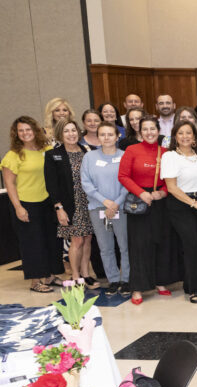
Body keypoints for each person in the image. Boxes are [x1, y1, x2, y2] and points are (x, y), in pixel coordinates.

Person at [0, 116, 65, 292]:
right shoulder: (13, 155)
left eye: (28, 129)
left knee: (52, 241)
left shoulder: (47, 149)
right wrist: (18, 207)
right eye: (21, 130)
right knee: (33, 243)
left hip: (48, 203)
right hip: (26, 204)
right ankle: (35, 281)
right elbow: (10, 184)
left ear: (35, 130)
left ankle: (50, 276)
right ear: (16, 134)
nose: (25, 133)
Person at [118, 116, 179, 304]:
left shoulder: (166, 152)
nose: (149, 132)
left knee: (161, 241)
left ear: (158, 130)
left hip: (160, 201)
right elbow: (123, 176)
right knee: (139, 245)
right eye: (145, 129)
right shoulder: (131, 150)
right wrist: (140, 193)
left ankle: (160, 282)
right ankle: (137, 287)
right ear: (140, 131)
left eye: (153, 129)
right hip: (139, 201)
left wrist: (163, 192)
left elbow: (173, 178)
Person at [161, 120, 197, 303]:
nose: (185, 136)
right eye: (181, 133)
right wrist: (193, 203)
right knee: (191, 244)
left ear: (194, 137)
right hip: (181, 205)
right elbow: (172, 187)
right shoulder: (170, 157)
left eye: (188, 133)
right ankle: (194, 288)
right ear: (175, 136)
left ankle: (189, 283)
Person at [43, 119, 97, 287]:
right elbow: (51, 185)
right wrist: (59, 208)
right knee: (77, 241)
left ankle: (86, 273)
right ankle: (75, 276)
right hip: (69, 205)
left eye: (73, 130)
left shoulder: (87, 151)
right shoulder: (53, 155)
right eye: (66, 131)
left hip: (89, 202)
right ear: (60, 134)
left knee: (88, 238)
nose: (71, 134)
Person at [80, 122, 129, 294]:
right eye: (102, 134)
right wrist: (106, 202)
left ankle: (127, 280)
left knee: (125, 246)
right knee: (105, 247)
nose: (106, 138)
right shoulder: (89, 158)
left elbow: (128, 182)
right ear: (98, 137)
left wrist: (116, 203)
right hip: (97, 208)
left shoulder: (125, 156)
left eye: (110, 134)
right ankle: (113, 280)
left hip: (121, 208)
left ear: (118, 136)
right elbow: (86, 184)